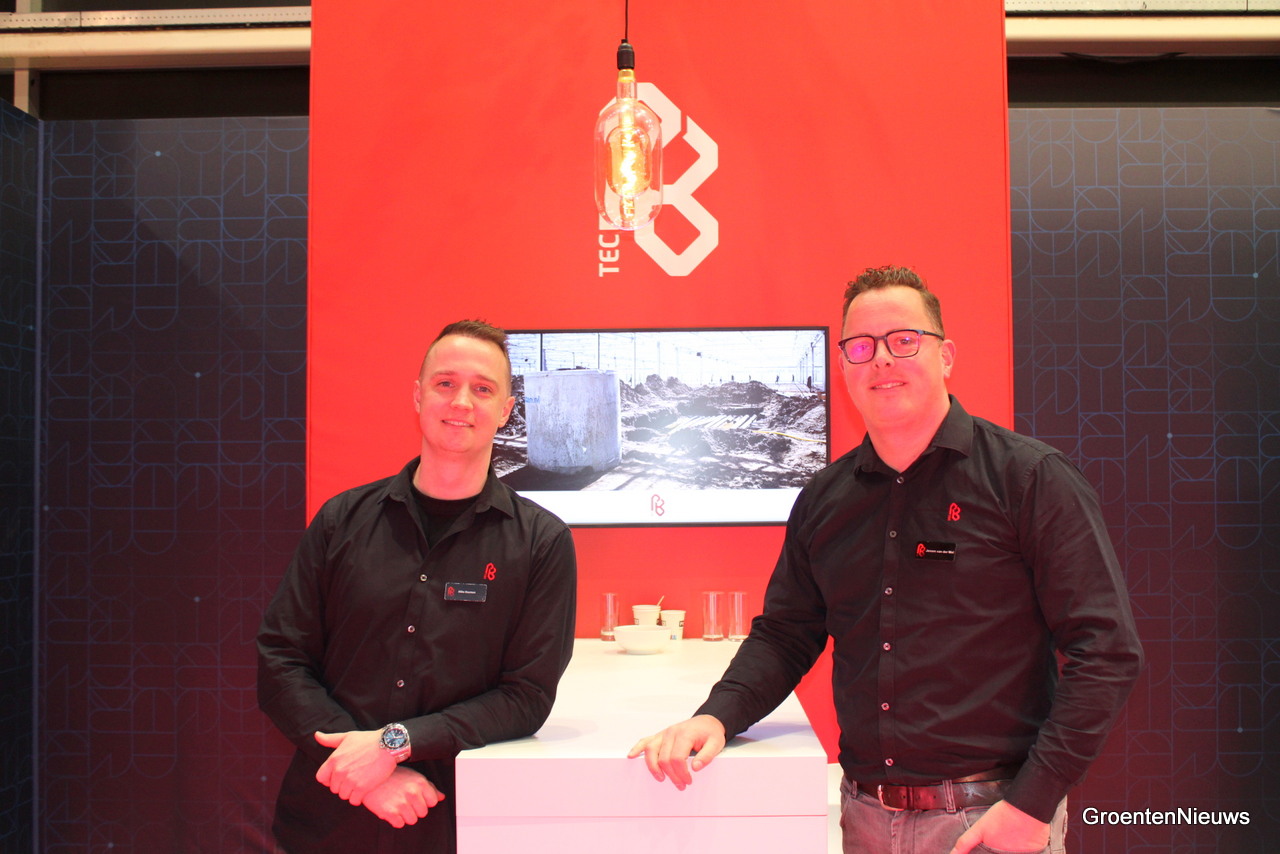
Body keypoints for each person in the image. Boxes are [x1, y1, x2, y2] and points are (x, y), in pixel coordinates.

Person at [629, 267, 1142, 854]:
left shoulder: (1028, 479)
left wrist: (1033, 802)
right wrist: (717, 715)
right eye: (861, 346)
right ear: (844, 366)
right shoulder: (825, 499)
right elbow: (787, 634)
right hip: (866, 817)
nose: (881, 360)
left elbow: (1106, 650)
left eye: (904, 340)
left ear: (945, 355)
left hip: (989, 818)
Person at [258, 319, 577, 853]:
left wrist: (392, 745)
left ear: (505, 410)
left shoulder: (541, 544)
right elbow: (280, 660)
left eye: (483, 389)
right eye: (445, 383)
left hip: (454, 820)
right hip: (326, 821)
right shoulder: (341, 520)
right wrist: (364, 774)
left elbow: (527, 697)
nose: (461, 402)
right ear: (418, 395)